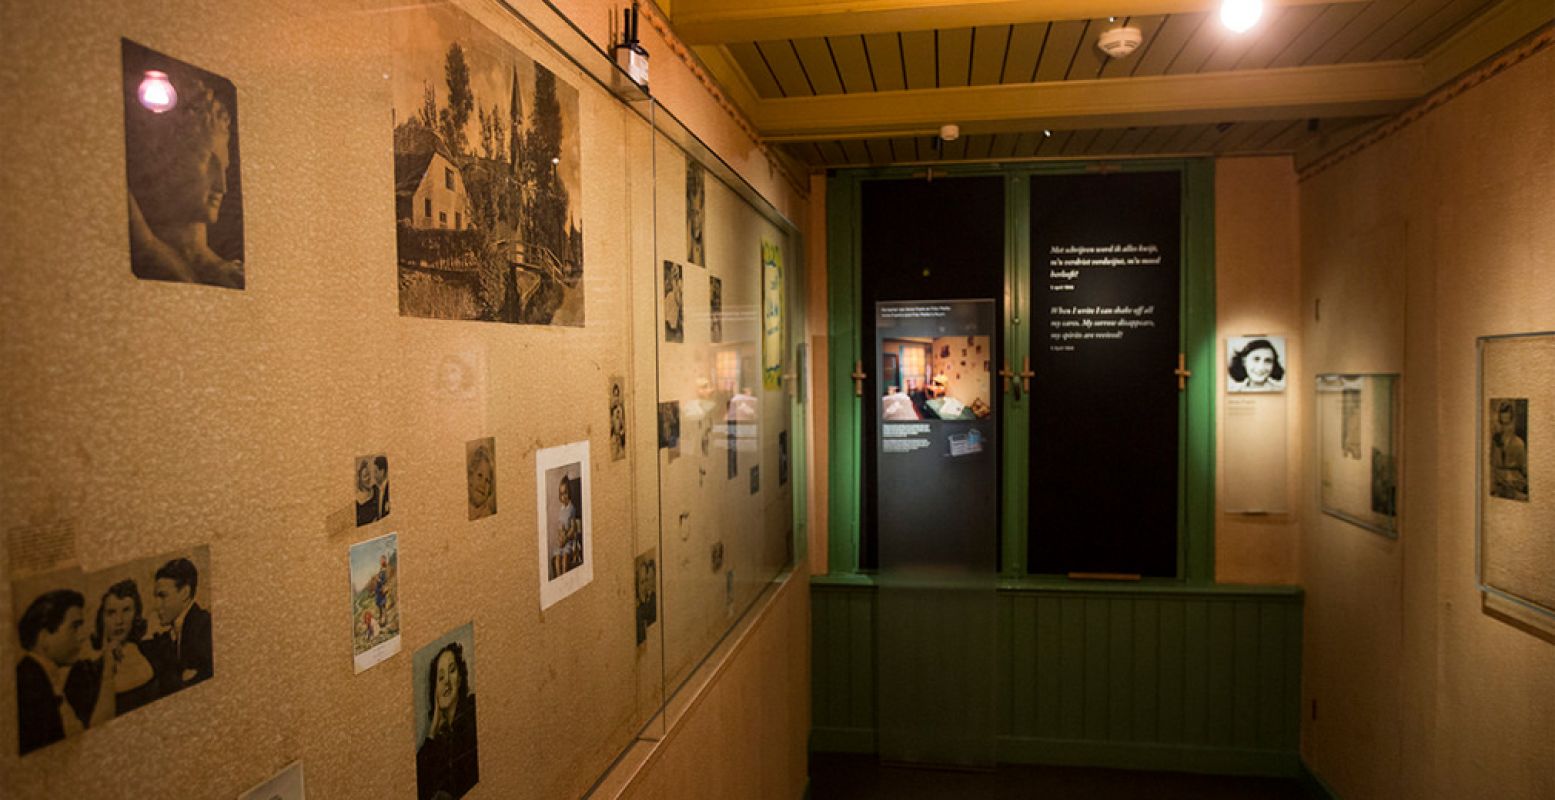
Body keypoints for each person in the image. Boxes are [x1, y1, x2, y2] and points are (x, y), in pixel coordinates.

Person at [125, 65, 243, 289]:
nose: (222, 186)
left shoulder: (231, 274)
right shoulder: (148, 250)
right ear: (165, 159)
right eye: (209, 164)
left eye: (224, 168)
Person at [64, 579, 158, 727]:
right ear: (101, 618)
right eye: (111, 613)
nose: (119, 621)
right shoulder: (84, 673)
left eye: (126, 610)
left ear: (136, 614)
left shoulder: (153, 650)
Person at [16, 589, 87, 755]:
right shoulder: (29, 684)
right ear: (44, 637)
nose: (81, 636)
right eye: (74, 627)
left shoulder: (41, 677)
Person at [416, 642, 479, 800]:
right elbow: (420, 785)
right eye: (440, 677)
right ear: (435, 690)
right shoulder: (438, 742)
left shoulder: (472, 710)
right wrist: (433, 728)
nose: (446, 682)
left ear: (459, 679)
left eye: (452, 671)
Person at [147, 557, 213, 696]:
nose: (156, 606)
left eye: (163, 596)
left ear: (184, 593)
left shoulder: (204, 626)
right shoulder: (172, 634)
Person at [1491, 400, 1528, 501]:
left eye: (1508, 424)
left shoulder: (1519, 444)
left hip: (1515, 489)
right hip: (1499, 489)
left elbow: (1524, 472)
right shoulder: (1495, 441)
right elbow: (1492, 466)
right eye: (1503, 424)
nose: (1506, 428)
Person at [550, 477, 582, 579]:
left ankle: (564, 578)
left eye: (565, 493)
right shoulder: (561, 509)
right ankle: (559, 578)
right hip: (562, 541)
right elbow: (560, 526)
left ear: (569, 493)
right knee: (557, 559)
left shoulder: (571, 508)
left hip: (569, 541)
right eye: (561, 494)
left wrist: (566, 538)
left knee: (564, 558)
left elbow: (573, 527)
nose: (563, 497)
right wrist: (560, 537)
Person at [467, 442, 496, 520]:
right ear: (470, 476)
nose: (483, 484)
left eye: (488, 481)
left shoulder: (487, 513)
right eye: (480, 475)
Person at [355, 458, 380, 526]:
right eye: (365, 476)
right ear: (360, 478)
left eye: (369, 474)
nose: (368, 478)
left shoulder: (376, 490)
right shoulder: (357, 501)